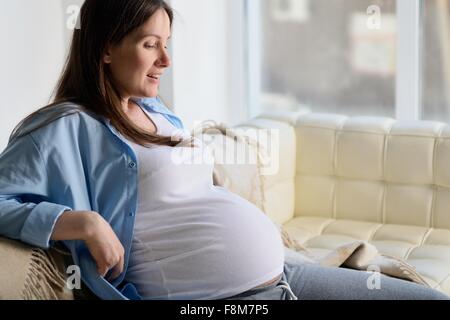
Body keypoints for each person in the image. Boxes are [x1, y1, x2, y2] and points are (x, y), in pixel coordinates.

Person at [0, 0, 448, 300]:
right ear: (105, 50)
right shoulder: (64, 127)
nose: (165, 61)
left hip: (286, 274)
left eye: (167, 45)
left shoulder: (156, 111)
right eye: (150, 44)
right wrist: (82, 222)